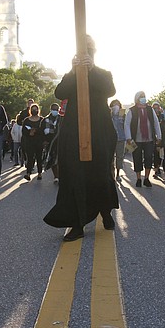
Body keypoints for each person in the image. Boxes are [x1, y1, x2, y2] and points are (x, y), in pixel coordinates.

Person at [44, 37, 119, 241]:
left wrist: (92, 69)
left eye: (88, 52)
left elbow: (110, 90)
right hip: (74, 131)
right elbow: (60, 93)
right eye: (80, 53)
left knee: (100, 173)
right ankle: (77, 224)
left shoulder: (103, 73)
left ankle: (106, 214)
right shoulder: (71, 75)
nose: (85, 56)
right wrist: (73, 71)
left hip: (99, 130)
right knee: (75, 175)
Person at [124, 91, 161, 188]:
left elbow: (156, 123)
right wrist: (128, 137)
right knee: (137, 158)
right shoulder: (132, 110)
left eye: (144, 96)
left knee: (149, 157)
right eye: (141, 97)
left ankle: (147, 178)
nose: (143, 98)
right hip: (136, 139)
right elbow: (127, 124)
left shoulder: (150, 109)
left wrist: (159, 136)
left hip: (149, 139)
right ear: (137, 99)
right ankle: (138, 178)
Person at [21, 103, 45, 181]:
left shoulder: (42, 120)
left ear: (38, 110)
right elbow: (23, 131)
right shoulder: (26, 120)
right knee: (30, 158)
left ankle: (39, 173)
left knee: (39, 158)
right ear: (30, 110)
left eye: (36, 109)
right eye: (33, 109)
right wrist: (29, 133)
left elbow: (43, 130)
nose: (34, 110)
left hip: (39, 142)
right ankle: (28, 173)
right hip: (29, 142)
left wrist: (35, 131)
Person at [42, 102, 61, 182]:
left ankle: (60, 175)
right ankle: (56, 177)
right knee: (52, 159)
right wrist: (44, 141)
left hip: (60, 142)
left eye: (56, 109)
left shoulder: (62, 119)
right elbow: (41, 131)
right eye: (53, 109)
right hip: (50, 143)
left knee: (60, 160)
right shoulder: (45, 120)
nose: (55, 111)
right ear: (50, 110)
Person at [109, 99, 127, 182]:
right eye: (114, 104)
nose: (116, 106)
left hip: (121, 138)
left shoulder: (123, 115)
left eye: (117, 104)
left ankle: (118, 174)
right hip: (111, 139)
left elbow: (126, 126)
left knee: (120, 157)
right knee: (111, 157)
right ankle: (111, 173)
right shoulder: (108, 115)